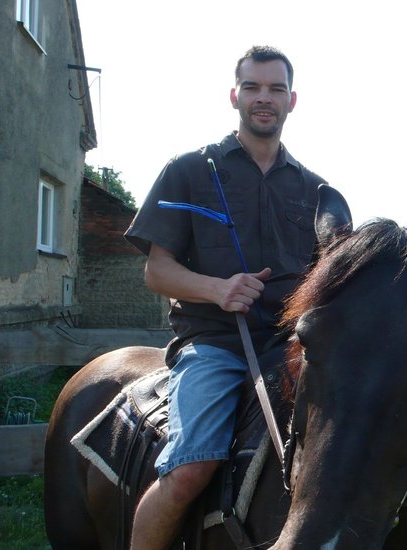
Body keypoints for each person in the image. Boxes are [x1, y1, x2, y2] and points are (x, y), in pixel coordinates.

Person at [123, 45, 326, 550]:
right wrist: (218, 289)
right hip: (214, 345)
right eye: (253, 87)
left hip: (291, 350)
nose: (265, 98)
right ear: (234, 95)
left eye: (276, 89)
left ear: (292, 100)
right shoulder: (189, 171)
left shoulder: (317, 190)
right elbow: (157, 271)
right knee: (192, 468)